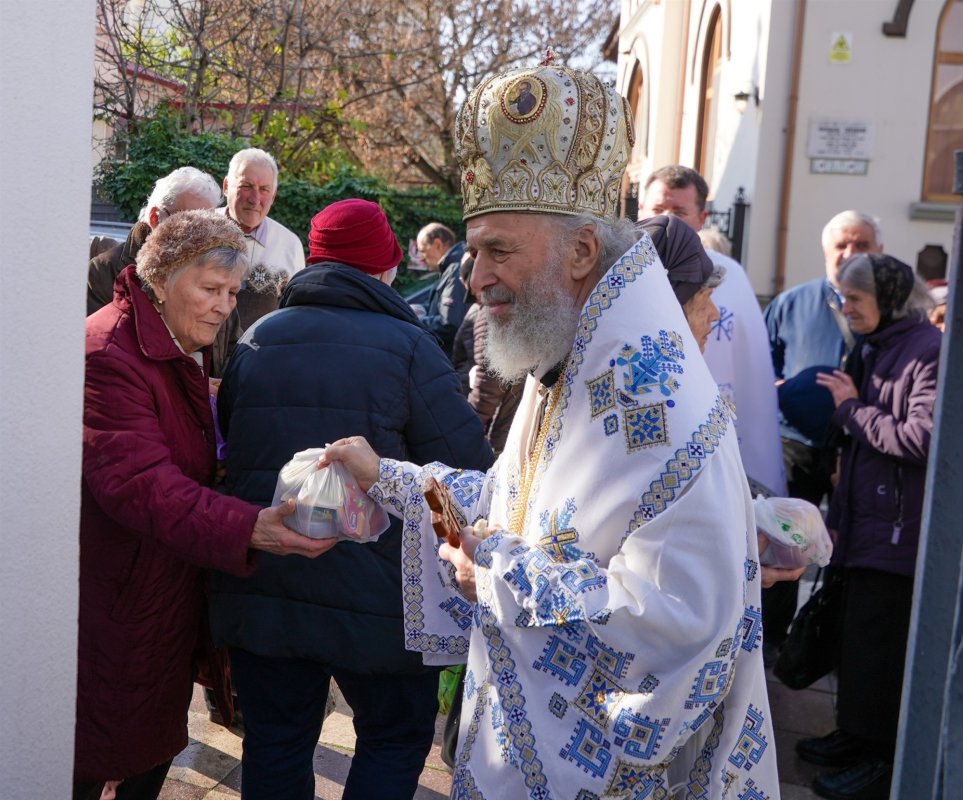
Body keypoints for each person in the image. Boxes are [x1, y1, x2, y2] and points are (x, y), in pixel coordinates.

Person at [325, 60, 779, 798]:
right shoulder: (566, 362)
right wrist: (391, 479)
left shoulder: (660, 407)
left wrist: (497, 575)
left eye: (498, 251)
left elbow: (677, 623)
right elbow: (507, 512)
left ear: (582, 252)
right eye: (474, 251)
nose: (474, 277)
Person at [208, 198, 493, 800]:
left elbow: (232, 442)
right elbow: (464, 469)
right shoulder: (410, 346)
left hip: (269, 582)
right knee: (392, 740)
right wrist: (458, 549)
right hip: (383, 599)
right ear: (384, 268)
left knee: (275, 740)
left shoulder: (258, 339)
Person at [76, 210, 333, 800]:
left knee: (141, 747)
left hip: (154, 589)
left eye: (233, 293)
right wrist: (249, 527)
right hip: (119, 594)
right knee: (98, 756)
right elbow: (141, 485)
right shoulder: (110, 352)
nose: (224, 306)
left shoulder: (169, 341)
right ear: (162, 277)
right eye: (211, 288)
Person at [796, 254, 940, 800]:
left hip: (897, 531)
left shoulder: (926, 351)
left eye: (855, 299)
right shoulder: (876, 346)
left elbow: (920, 439)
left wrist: (850, 409)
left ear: (890, 301)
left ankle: (880, 757)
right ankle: (856, 735)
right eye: (842, 297)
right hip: (866, 525)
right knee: (858, 641)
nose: (845, 308)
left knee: (880, 648)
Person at [762, 209, 883, 659]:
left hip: (859, 449)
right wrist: (779, 387)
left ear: (879, 251)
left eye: (862, 245)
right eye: (841, 245)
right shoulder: (790, 304)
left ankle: (827, 645)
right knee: (785, 545)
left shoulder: (888, 312)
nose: (850, 253)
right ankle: (773, 641)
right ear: (825, 250)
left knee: (846, 549)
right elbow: (763, 368)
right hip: (795, 444)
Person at [640, 165, 786, 498]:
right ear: (641, 209)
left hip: (714, 426)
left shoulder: (729, 275)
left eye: (679, 212)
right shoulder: (618, 274)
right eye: (658, 209)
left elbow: (752, 370)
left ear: (702, 218)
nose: (668, 220)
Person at [87, 166, 222, 315]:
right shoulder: (103, 274)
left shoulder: (217, 274)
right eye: (190, 224)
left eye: (209, 224)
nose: (201, 237)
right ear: (155, 218)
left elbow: (230, 329)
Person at [219, 147, 305, 330]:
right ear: (226, 187)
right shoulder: (199, 230)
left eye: (264, 189)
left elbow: (294, 314)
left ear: (273, 196)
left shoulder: (290, 245)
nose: (255, 199)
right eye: (246, 186)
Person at [416, 221, 468, 356]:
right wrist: (422, 309)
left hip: (450, 359)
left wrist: (415, 320)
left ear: (438, 244)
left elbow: (450, 323)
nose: (421, 258)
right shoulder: (450, 268)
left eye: (423, 251)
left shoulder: (455, 269)